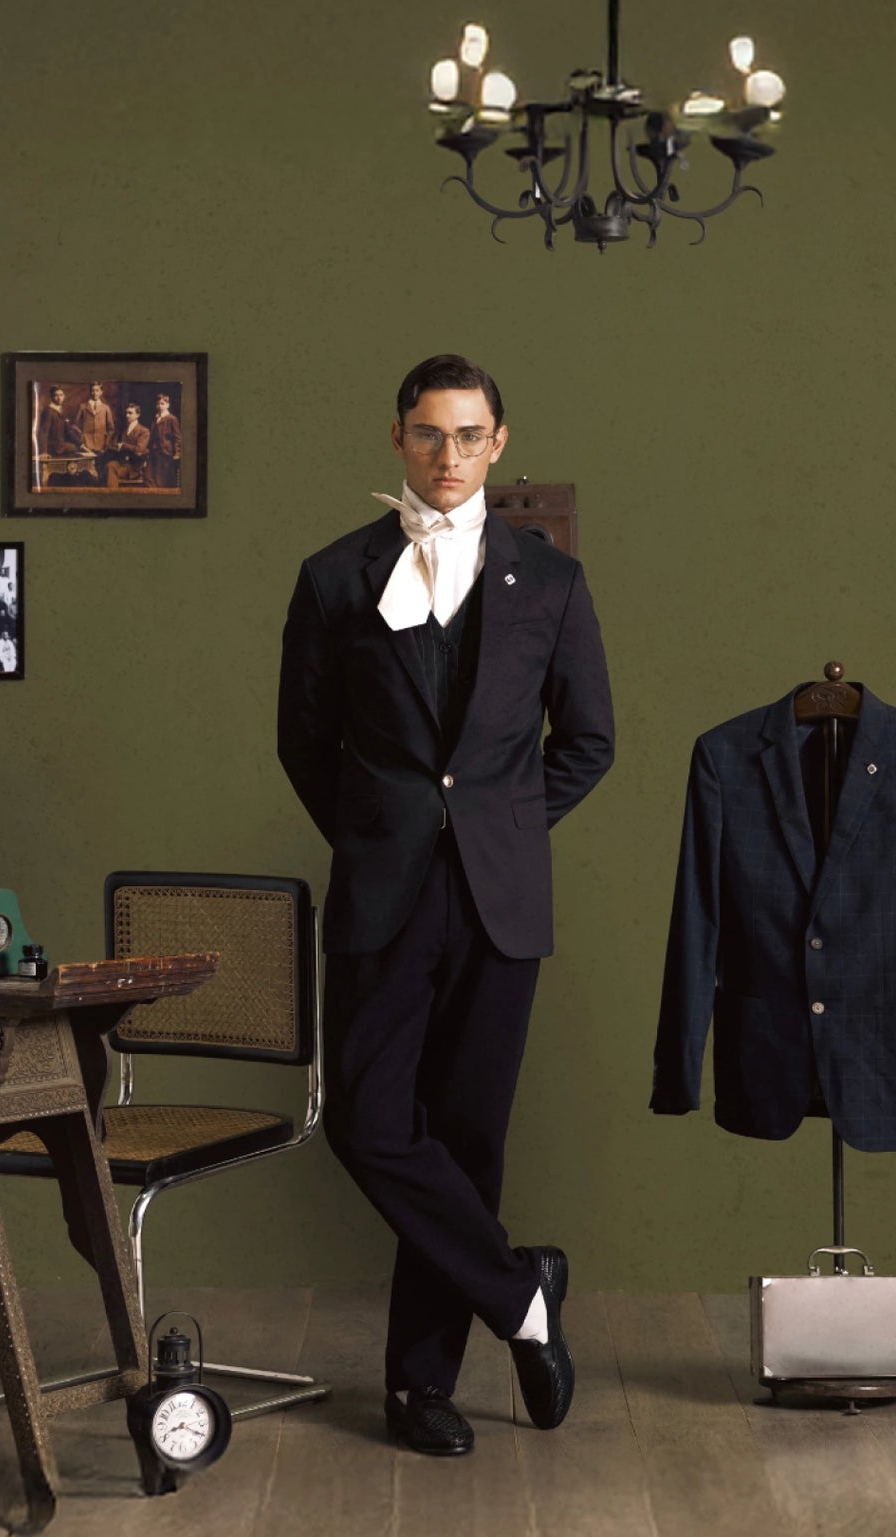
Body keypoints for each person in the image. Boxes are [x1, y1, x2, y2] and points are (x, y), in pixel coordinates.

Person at [277, 353, 612, 1456]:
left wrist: (494, 831)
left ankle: (419, 1386)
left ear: (498, 442)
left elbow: (589, 740)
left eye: (470, 435)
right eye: (429, 433)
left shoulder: (551, 583)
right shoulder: (334, 578)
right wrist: (382, 836)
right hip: (384, 895)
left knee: (466, 1141)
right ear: (398, 439)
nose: (449, 455)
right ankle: (523, 1295)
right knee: (370, 1124)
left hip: (499, 903)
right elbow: (303, 741)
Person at [77, 384, 114, 485]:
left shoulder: (106, 408)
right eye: (92, 390)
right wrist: (82, 437)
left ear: (101, 392)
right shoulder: (82, 407)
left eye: (97, 390)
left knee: (100, 470)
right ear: (90, 392)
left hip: (101, 446)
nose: (95, 393)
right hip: (86, 446)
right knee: (85, 472)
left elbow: (111, 429)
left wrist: (106, 443)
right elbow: (75, 425)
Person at [151, 393, 182, 489]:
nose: (160, 406)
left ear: (167, 405)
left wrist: (177, 453)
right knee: (156, 478)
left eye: (162, 404)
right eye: (158, 404)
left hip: (167, 452)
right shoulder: (156, 419)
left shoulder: (172, 419)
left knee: (165, 479)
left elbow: (177, 437)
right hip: (156, 452)